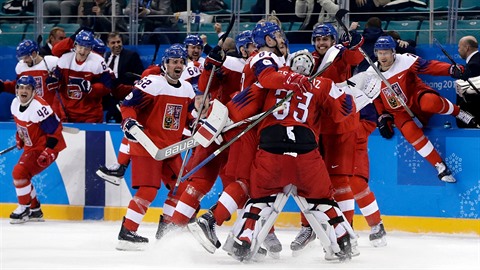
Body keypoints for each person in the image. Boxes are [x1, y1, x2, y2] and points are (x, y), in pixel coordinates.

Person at [229, 50, 357, 261]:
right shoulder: (323, 83)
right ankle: (342, 237)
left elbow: (237, 108)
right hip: (305, 148)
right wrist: (352, 95)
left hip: (271, 146)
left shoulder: (270, 80)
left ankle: (246, 235)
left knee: (259, 197)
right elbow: (343, 112)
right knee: (322, 197)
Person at [289, 23, 365, 255]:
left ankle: (347, 233)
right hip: (314, 128)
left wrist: (354, 40)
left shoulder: (340, 54)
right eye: (318, 39)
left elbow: (354, 56)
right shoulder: (307, 58)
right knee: (306, 180)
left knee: (340, 182)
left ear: (333, 40)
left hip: (341, 128)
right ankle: (308, 228)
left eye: (325, 39)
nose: (321, 43)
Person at [116, 44, 195, 251]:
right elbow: (127, 105)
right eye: (174, 62)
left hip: (171, 148)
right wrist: (129, 122)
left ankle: (167, 227)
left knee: (182, 187)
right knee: (149, 190)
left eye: (181, 62)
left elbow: (188, 117)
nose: (178, 65)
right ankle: (127, 231)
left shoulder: (187, 89)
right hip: (148, 146)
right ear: (165, 64)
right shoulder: (152, 83)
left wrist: (196, 124)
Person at [372, 35, 478, 184]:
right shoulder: (372, 73)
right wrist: (383, 116)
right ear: (376, 53)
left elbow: (429, 66)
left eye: (386, 52)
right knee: (409, 131)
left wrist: (451, 69)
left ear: (393, 52)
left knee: (430, 102)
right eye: (380, 52)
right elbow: (375, 97)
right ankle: (439, 166)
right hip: (401, 112)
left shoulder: (405, 60)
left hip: (417, 97)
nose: (383, 56)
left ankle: (459, 112)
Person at [9, 75, 67, 224]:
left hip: (44, 148)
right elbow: (22, 127)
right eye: (21, 87)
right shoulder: (15, 103)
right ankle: (35, 209)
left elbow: (55, 132)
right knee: (23, 175)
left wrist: (49, 151)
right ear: (17, 89)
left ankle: (24, 208)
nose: (24, 91)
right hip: (31, 147)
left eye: (28, 88)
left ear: (33, 91)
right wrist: (20, 137)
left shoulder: (39, 108)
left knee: (19, 172)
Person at [95, 32, 145, 185]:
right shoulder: (103, 59)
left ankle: (121, 166)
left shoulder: (131, 56)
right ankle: (120, 165)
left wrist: (128, 92)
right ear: (108, 45)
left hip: (128, 100)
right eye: (113, 43)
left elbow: (140, 78)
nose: (116, 45)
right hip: (110, 101)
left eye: (118, 42)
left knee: (128, 130)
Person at [52, 29, 112, 123]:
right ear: (75, 44)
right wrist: (53, 81)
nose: (82, 51)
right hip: (67, 113)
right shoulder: (65, 58)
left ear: (91, 48)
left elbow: (107, 87)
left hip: (90, 115)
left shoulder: (98, 62)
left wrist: (90, 88)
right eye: (80, 46)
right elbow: (58, 81)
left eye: (87, 48)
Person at [0, 39, 60, 112]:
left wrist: (58, 81)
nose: (24, 61)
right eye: (21, 58)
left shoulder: (52, 62)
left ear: (34, 53)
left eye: (26, 57)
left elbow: (65, 83)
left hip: (51, 110)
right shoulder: (21, 66)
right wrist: (4, 86)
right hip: (31, 111)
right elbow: (20, 87)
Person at [455, 35, 480, 128]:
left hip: (473, 116)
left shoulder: (474, 65)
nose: (458, 50)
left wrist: (461, 113)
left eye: (459, 47)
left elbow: (471, 95)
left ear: (467, 48)